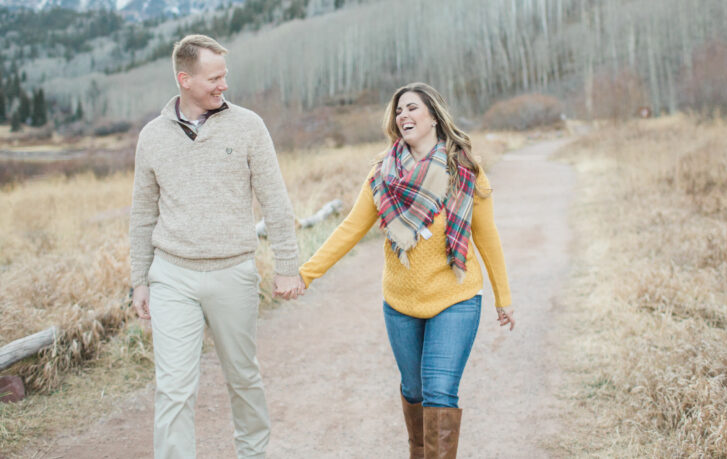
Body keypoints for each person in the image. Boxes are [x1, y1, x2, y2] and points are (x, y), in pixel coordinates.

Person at [280, 82, 515, 459]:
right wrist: (305, 274)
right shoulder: (383, 175)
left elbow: (487, 238)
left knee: (439, 392)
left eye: (411, 108)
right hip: (401, 303)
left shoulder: (465, 171)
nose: (402, 115)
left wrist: (504, 298)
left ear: (435, 117)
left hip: (455, 298)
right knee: (415, 392)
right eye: (398, 111)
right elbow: (349, 230)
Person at [129, 34, 302, 459]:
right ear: (184, 79)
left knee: (243, 378)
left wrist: (287, 264)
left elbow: (275, 200)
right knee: (173, 388)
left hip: (233, 272)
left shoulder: (248, 127)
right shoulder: (152, 137)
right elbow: (142, 215)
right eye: (214, 78)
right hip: (172, 276)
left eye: (224, 75)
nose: (224, 84)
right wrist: (139, 280)